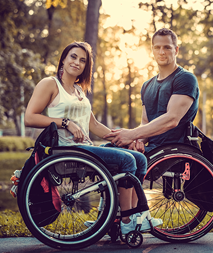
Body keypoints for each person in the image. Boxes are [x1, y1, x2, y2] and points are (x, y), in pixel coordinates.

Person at [24, 41, 162, 234]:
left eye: (82, 60)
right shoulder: (50, 84)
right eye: (73, 57)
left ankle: (123, 215)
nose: (77, 63)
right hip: (67, 149)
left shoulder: (79, 91)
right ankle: (127, 220)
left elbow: (94, 125)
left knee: (138, 157)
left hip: (85, 148)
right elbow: (30, 118)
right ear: (63, 59)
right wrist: (66, 123)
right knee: (127, 160)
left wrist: (124, 138)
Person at [104, 28, 199, 153]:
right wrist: (136, 142)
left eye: (167, 47)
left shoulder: (185, 78)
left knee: (119, 158)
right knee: (106, 150)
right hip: (152, 150)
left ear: (176, 50)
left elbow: (172, 119)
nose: (162, 52)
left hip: (174, 152)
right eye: (157, 47)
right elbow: (145, 124)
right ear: (152, 50)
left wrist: (132, 134)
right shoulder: (147, 86)